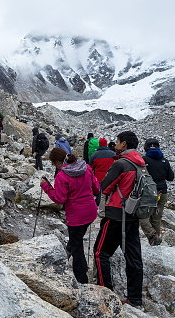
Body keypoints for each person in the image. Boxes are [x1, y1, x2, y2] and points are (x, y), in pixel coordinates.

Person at [93, 131, 144, 307]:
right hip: (133, 215)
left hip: (115, 215)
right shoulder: (142, 164)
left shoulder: (121, 163)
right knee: (133, 257)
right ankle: (135, 298)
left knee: (101, 253)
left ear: (123, 144)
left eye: (117, 141)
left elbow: (104, 187)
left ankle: (104, 292)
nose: (116, 144)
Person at [40, 148, 100, 284]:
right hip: (90, 212)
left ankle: (81, 278)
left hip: (75, 217)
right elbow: (96, 188)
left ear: (56, 162)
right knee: (76, 242)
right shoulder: (86, 168)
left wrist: (46, 187)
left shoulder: (62, 176)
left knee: (76, 245)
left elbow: (59, 199)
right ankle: (79, 266)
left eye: (54, 164)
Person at [140, 138, 174, 246]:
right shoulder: (164, 160)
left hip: (148, 192)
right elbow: (170, 177)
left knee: (142, 216)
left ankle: (152, 235)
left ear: (146, 148)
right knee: (156, 218)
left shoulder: (143, 160)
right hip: (162, 191)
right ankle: (156, 241)